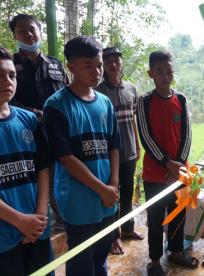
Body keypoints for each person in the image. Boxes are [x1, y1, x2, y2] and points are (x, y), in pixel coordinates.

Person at [43, 36, 120, 276]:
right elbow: (65, 157)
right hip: (78, 201)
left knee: (101, 253)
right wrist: (101, 189)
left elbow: (114, 146)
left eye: (99, 65)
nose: (97, 72)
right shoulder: (56, 106)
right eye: (88, 66)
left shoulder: (105, 103)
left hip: (107, 197)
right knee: (81, 260)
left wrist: (114, 184)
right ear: (71, 67)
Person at [137, 50, 197, 276]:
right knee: (155, 217)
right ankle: (154, 260)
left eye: (169, 71)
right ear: (150, 73)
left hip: (180, 171)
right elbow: (146, 137)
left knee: (178, 212)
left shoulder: (180, 99)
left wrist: (179, 165)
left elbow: (187, 135)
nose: (165, 76)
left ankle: (175, 251)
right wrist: (168, 164)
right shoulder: (144, 101)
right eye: (160, 72)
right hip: (155, 173)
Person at [9, 13, 68, 232]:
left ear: (40, 31)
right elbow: (8, 99)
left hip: (57, 132)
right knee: (34, 176)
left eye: (32, 28)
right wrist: (33, 113)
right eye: (21, 30)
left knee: (58, 173)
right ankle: (35, 220)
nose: (28, 33)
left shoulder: (55, 65)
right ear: (15, 35)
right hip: (24, 133)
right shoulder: (10, 66)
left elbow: (67, 94)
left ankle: (62, 220)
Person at [0, 47, 52, 275]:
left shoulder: (29, 120)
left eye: (11, 75)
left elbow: (42, 168)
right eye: (0, 75)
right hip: (4, 237)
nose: (7, 81)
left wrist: (40, 216)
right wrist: (20, 221)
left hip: (38, 229)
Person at [97, 46, 143, 256]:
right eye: (109, 62)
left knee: (126, 193)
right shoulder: (98, 91)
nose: (114, 65)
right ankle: (113, 237)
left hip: (130, 151)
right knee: (112, 194)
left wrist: (138, 145)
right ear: (104, 65)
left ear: (121, 63)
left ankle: (128, 229)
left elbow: (133, 119)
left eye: (117, 61)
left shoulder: (131, 89)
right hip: (109, 154)